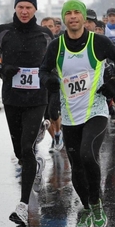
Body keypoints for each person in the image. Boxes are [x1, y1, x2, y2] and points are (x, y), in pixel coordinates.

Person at [39, 0, 115, 227]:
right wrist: (50, 84)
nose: (73, 17)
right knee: (76, 164)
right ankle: (87, 208)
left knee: (88, 155)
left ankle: (97, 204)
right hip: (69, 115)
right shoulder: (56, 46)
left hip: (95, 110)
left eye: (77, 12)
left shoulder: (98, 41)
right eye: (68, 13)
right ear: (64, 18)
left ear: (83, 19)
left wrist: (114, 82)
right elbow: (44, 70)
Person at [0, 0, 54, 226]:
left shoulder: (45, 34)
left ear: (35, 10)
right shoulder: (3, 32)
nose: (24, 11)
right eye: (20, 7)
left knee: (26, 146)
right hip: (11, 99)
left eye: (28, 8)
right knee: (20, 153)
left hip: (37, 99)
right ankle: (35, 164)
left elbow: (55, 64)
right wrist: (1, 68)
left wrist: (51, 83)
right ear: (15, 8)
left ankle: (22, 206)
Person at [40, 17, 64, 153]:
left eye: (50, 26)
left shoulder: (59, 43)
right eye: (44, 26)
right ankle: (55, 139)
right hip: (42, 82)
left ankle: (58, 133)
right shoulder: (36, 43)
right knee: (46, 117)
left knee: (53, 112)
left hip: (56, 81)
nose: (47, 29)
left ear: (55, 28)